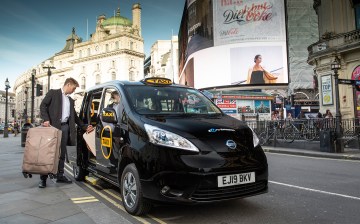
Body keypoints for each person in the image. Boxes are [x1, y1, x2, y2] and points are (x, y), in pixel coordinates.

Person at [39, 78, 93, 188]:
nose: (73, 91)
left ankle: (60, 175)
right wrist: (46, 119)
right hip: (52, 128)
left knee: (62, 153)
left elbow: (75, 117)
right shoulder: (53, 93)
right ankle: (43, 179)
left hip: (65, 128)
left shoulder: (70, 100)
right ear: (68, 84)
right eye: (73, 88)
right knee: (48, 153)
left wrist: (84, 126)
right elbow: (43, 106)